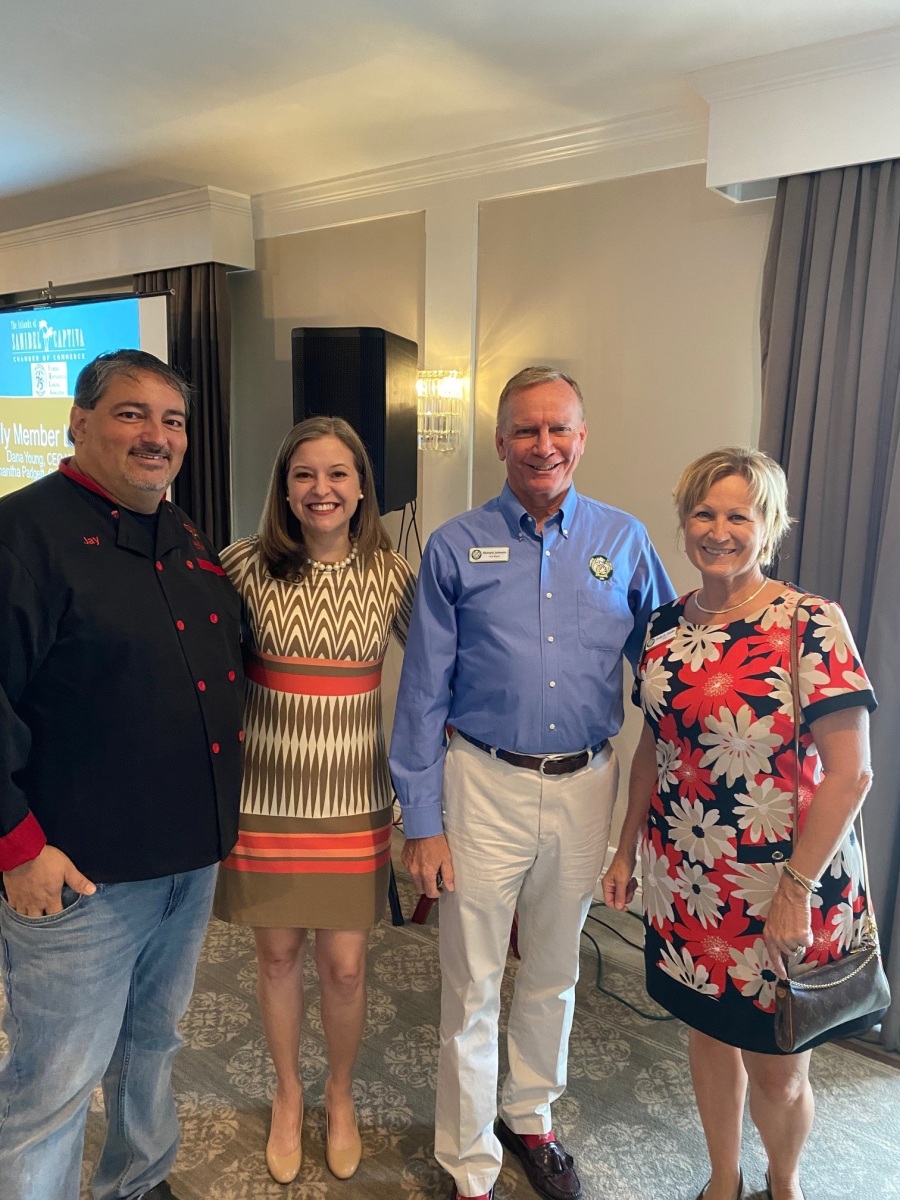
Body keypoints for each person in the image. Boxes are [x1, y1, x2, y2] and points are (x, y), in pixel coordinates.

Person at [389, 365, 673, 1200]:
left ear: (582, 439)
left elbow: (666, 672)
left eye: (558, 429)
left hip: (587, 784)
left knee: (554, 969)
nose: (542, 445)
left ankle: (531, 1115)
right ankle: (469, 1163)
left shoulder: (624, 541)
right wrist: (422, 820)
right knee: (472, 980)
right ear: (501, 440)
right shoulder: (454, 546)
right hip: (482, 782)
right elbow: (422, 693)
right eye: (525, 429)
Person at [602, 447, 880, 1200]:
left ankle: (782, 1183)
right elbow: (653, 747)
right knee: (709, 1031)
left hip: (786, 880)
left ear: (770, 527)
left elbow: (851, 773)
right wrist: (625, 851)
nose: (718, 530)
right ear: (684, 521)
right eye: (704, 512)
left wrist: (793, 890)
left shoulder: (809, 622)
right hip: (689, 878)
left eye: (738, 516)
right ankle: (721, 1180)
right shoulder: (663, 627)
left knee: (780, 1067)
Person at [0, 349, 243, 1200]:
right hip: (78, 879)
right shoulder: (21, 533)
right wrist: (15, 846)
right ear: (79, 422)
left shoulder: (184, 535)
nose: (156, 435)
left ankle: (137, 1183)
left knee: (152, 1046)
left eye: (172, 420)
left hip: (186, 865)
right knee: (54, 1082)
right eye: (131, 413)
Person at [213, 416, 415, 1185]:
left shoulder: (392, 574)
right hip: (265, 795)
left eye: (337, 474)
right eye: (305, 474)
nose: (321, 489)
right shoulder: (241, 565)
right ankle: (289, 1093)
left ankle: (340, 1094)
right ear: (285, 487)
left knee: (346, 967)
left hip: (353, 799)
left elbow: (441, 673)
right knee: (276, 956)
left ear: (361, 487)